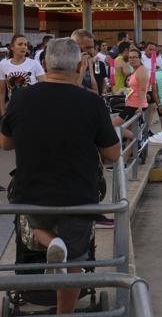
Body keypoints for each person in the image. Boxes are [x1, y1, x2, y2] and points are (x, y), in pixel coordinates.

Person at [1, 38, 120, 314]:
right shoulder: (92, 102)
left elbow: (5, 143)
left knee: (37, 225)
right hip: (78, 196)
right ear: (79, 65)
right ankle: (63, 313)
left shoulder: (21, 98)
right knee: (74, 259)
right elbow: (113, 154)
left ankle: (50, 242)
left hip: (31, 193)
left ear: (44, 63)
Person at [0, 34, 45, 116]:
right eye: (20, 44)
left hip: (32, 109)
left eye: (25, 44)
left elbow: (44, 87)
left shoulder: (34, 64)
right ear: (12, 47)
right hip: (12, 110)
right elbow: (2, 91)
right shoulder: (3, 65)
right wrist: (2, 112)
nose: (24, 47)